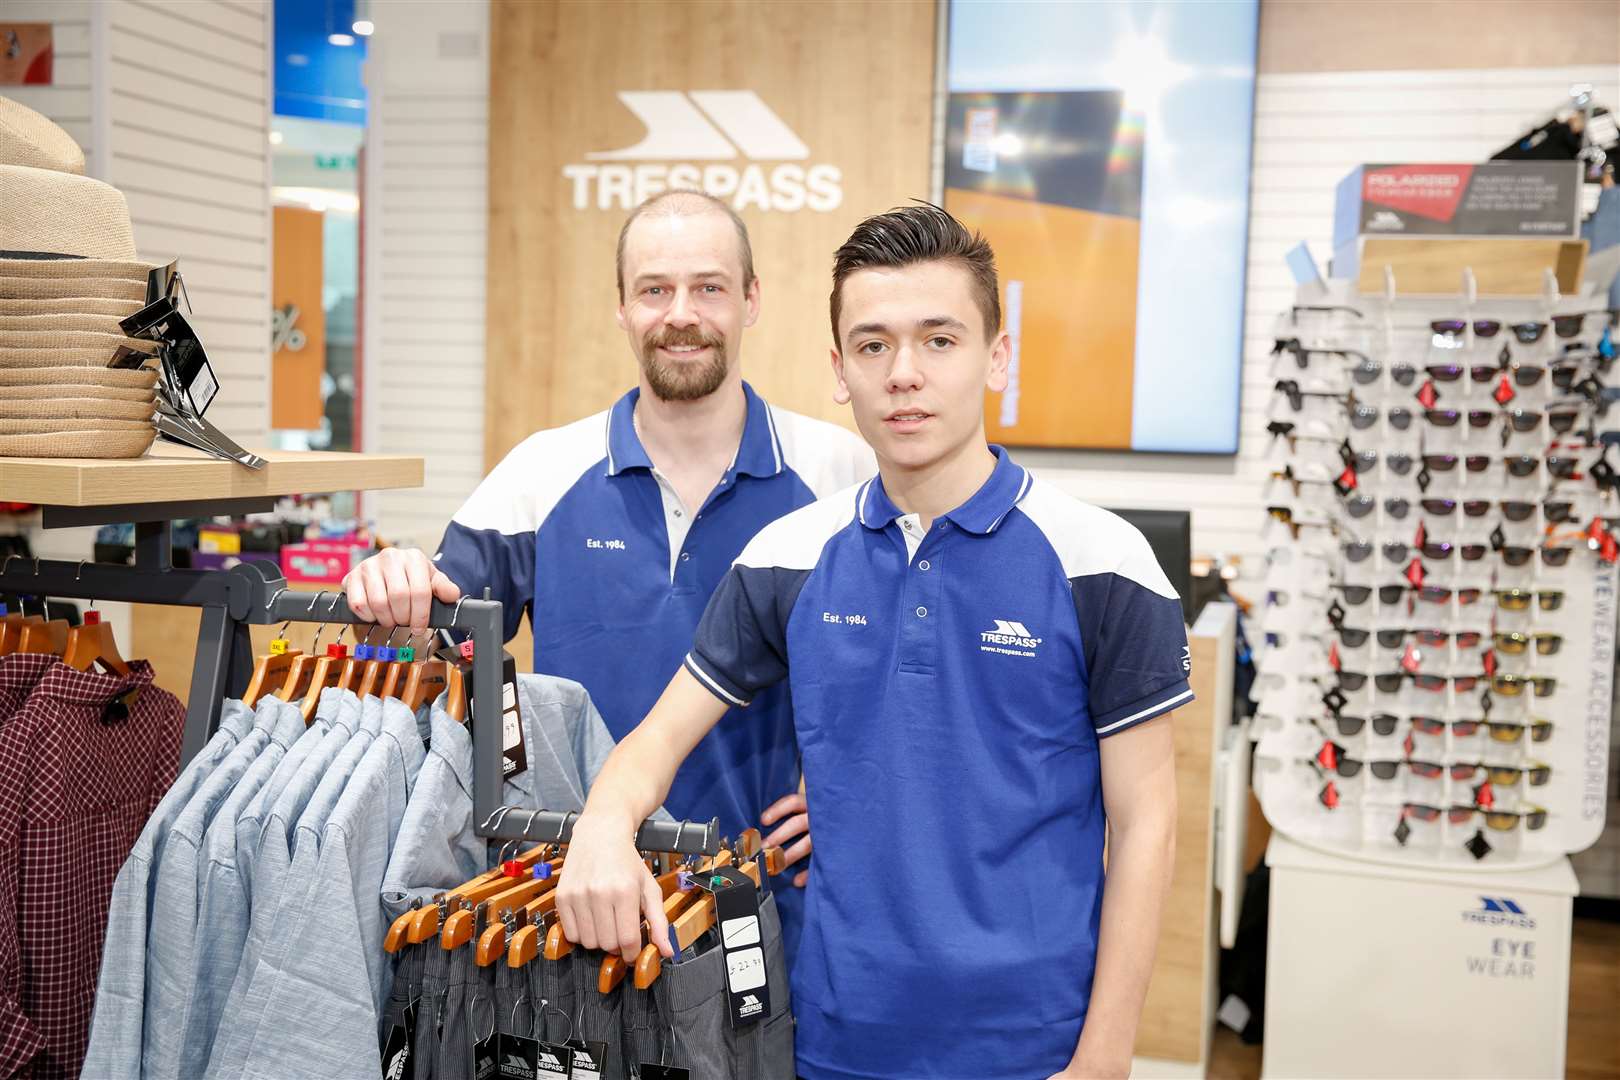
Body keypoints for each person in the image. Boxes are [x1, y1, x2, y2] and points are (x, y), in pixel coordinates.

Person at [555, 204, 1189, 1080]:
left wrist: (1106, 1056)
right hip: (832, 1041)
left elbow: (1147, 823)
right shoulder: (785, 560)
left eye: (940, 340)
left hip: (1036, 1045)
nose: (905, 375)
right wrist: (601, 828)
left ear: (996, 357)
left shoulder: (1105, 564)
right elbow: (655, 742)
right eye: (874, 345)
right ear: (839, 370)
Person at [341, 190, 874, 964]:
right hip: (577, 904)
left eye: (710, 287)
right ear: (622, 308)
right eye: (655, 289)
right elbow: (431, 633)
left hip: (768, 909)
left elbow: (900, 673)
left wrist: (854, 800)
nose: (681, 314)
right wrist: (391, 584)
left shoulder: (839, 475)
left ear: (751, 300)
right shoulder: (541, 472)